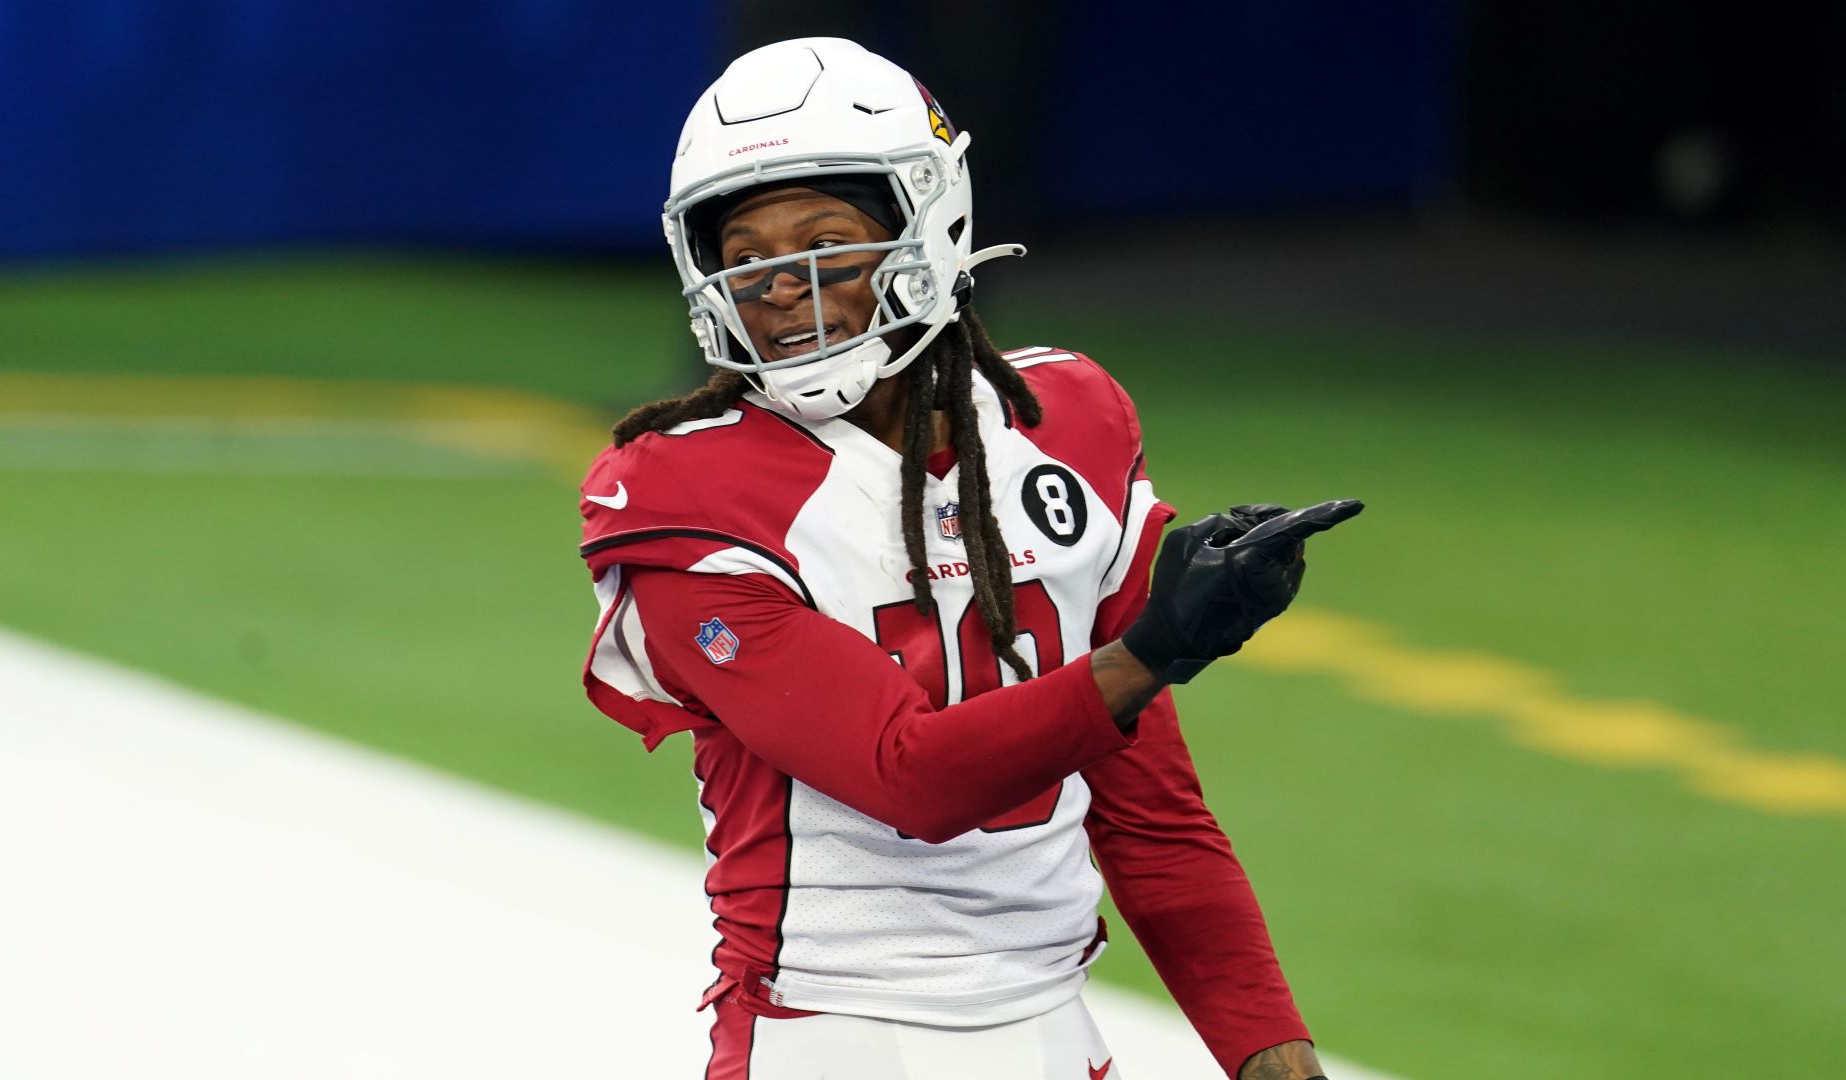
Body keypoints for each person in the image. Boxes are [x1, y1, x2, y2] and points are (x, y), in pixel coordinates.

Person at [577, 37, 1361, 1080]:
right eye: (747, 253)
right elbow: (910, 779)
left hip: (1054, 1029)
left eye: (825, 242)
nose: (780, 286)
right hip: (829, 1036)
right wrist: (1152, 652)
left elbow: (1151, 812)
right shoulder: (681, 486)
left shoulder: (1066, 417)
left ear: (928, 227)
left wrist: (1277, 1059)